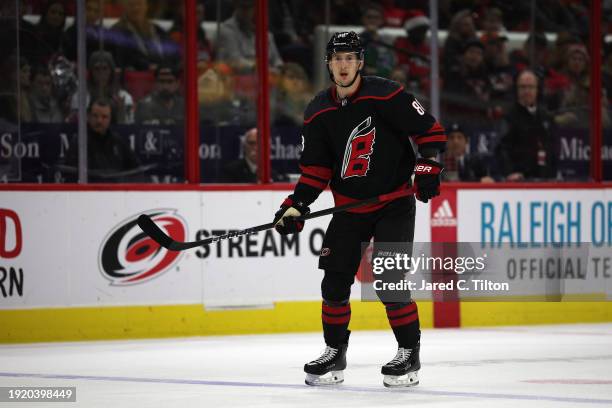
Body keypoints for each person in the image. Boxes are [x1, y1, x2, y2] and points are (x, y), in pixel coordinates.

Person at [271, 32, 446, 387]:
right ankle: (335, 351)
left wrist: (427, 168)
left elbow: (431, 131)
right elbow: (316, 171)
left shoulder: (387, 94)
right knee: (333, 281)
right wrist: (295, 206)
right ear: (329, 64)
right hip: (349, 208)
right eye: (338, 59)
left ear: (361, 62)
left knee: (389, 281)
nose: (344, 65)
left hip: (393, 204)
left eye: (351, 58)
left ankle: (408, 353)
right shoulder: (318, 110)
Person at [496, 70, 557, 181]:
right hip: (518, 180)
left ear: (537, 89)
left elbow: (552, 147)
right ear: (517, 90)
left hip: (544, 179)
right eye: (523, 87)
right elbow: (501, 147)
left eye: (531, 87)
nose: (527, 91)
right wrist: (509, 172)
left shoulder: (545, 116)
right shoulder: (509, 115)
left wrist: (552, 173)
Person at [81, 98, 141, 181]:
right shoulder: (80, 142)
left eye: (104, 117)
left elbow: (136, 169)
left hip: (116, 192)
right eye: (95, 116)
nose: (99, 121)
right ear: (88, 117)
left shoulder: (117, 142)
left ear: (110, 119)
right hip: (89, 192)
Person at [216, 0, 283, 73]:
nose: (246, 12)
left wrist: (282, 69)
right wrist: (264, 69)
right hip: (242, 79)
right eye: (243, 7)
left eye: (250, 6)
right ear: (236, 6)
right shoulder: (226, 30)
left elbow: (277, 60)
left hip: (269, 77)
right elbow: (235, 61)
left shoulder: (265, 33)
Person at [69, 51, 135, 124]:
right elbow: (75, 126)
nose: (101, 73)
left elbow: (128, 129)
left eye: (105, 68)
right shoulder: (80, 98)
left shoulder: (124, 97)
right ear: (91, 72)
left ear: (111, 71)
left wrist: (121, 112)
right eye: (97, 69)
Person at [220, 127, 285, 182]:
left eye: (259, 143)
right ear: (244, 146)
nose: (255, 147)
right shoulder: (230, 172)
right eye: (251, 143)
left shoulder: (272, 174)